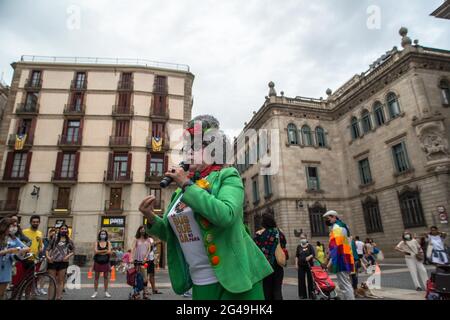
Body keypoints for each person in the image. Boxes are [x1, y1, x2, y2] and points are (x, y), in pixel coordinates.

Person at [139, 115, 272, 300]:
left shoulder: (227, 176)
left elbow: (226, 215)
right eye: (187, 148)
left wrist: (186, 184)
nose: (189, 152)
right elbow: (174, 233)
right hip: (201, 283)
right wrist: (151, 217)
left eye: (197, 147)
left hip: (235, 280)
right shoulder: (181, 191)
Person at [254, 213, 287, 300]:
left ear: (263, 223)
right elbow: (283, 245)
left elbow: (255, 249)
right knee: (277, 290)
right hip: (277, 265)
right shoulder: (279, 233)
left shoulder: (259, 234)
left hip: (265, 266)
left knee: (266, 291)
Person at [323, 210, 355, 300]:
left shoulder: (336, 227)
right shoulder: (343, 225)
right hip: (346, 255)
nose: (327, 220)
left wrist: (328, 260)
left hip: (341, 257)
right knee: (344, 283)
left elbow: (334, 246)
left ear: (333, 217)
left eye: (328, 218)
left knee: (345, 284)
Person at [0, 218, 29, 299]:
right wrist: (8, 251)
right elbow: (7, 251)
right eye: (12, 226)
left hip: (6, 269)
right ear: (5, 226)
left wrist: (19, 250)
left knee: (1, 294)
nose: (14, 228)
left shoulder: (13, 238)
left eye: (15, 226)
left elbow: (26, 248)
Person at [46, 224, 74, 300]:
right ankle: (50, 298)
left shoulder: (69, 240)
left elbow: (73, 251)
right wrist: (48, 257)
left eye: (65, 229)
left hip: (63, 263)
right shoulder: (54, 239)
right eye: (62, 229)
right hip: (53, 262)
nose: (64, 230)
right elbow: (48, 249)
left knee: (60, 281)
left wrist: (67, 256)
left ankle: (59, 297)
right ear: (59, 230)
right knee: (52, 281)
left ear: (67, 230)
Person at [131, 226, 152, 299]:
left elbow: (149, 249)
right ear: (139, 231)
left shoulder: (148, 239)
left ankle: (145, 293)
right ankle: (136, 293)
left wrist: (146, 257)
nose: (142, 231)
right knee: (137, 277)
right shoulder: (136, 239)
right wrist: (132, 257)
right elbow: (133, 248)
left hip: (145, 260)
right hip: (137, 260)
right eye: (141, 229)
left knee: (145, 277)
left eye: (144, 230)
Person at [91, 230, 112, 298]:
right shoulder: (96, 242)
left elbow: (109, 252)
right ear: (99, 235)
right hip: (97, 261)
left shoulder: (108, 242)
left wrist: (100, 252)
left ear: (106, 235)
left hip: (106, 261)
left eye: (104, 234)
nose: (103, 235)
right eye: (101, 234)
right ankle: (95, 292)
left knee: (106, 277)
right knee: (96, 278)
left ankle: (106, 292)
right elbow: (95, 251)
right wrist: (105, 251)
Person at [295, 234, 315, 299]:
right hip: (301, 266)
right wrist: (296, 264)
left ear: (306, 238)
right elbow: (297, 256)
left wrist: (310, 256)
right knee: (301, 280)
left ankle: (311, 294)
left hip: (309, 265)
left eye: (303, 238)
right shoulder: (298, 247)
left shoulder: (310, 246)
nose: (302, 239)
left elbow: (313, 254)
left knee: (310, 280)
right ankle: (302, 295)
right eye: (301, 238)